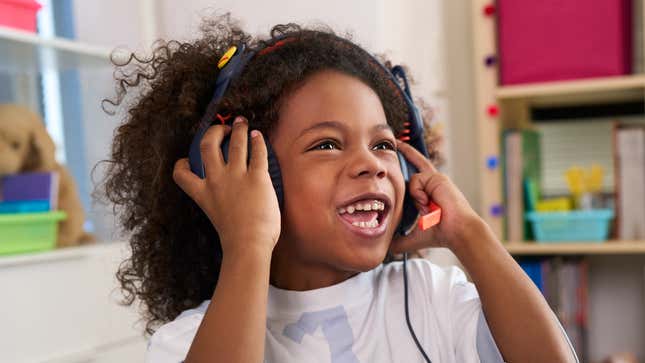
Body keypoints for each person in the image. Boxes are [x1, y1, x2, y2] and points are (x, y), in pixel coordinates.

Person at [101, 13, 577, 363]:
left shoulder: (430, 297)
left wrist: (471, 235)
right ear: (251, 177)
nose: (370, 164)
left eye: (384, 145)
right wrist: (247, 244)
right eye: (328, 144)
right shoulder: (191, 341)